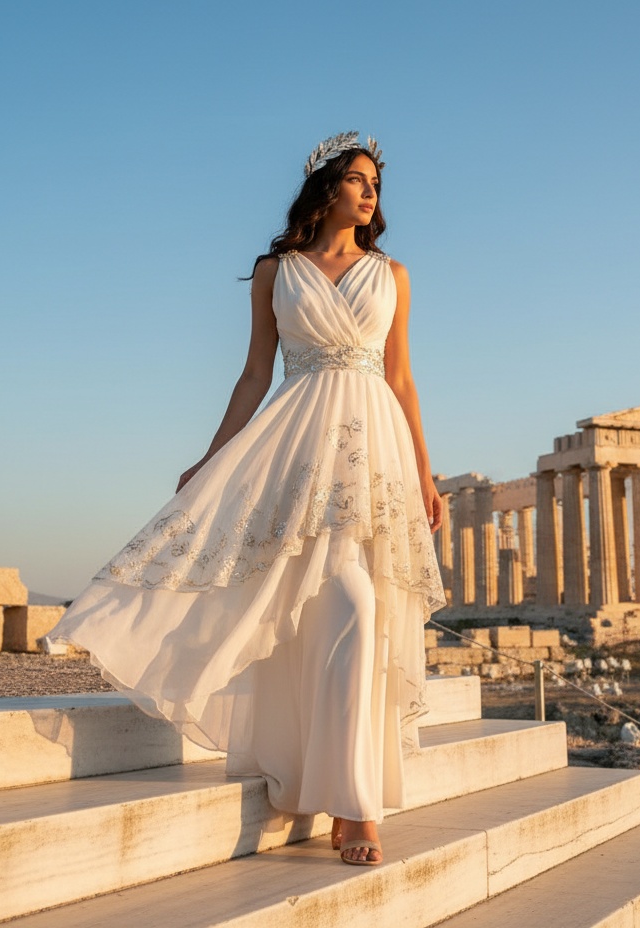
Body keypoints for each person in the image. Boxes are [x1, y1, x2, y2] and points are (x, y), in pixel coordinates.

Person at [48, 131, 446, 867]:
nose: (369, 195)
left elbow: (403, 380)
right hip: (295, 443)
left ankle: (355, 805)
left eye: (376, 186)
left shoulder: (393, 274)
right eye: (357, 181)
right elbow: (254, 373)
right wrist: (210, 457)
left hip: (371, 451)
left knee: (358, 609)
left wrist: (425, 474)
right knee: (310, 610)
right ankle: (309, 776)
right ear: (326, 190)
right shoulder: (276, 271)